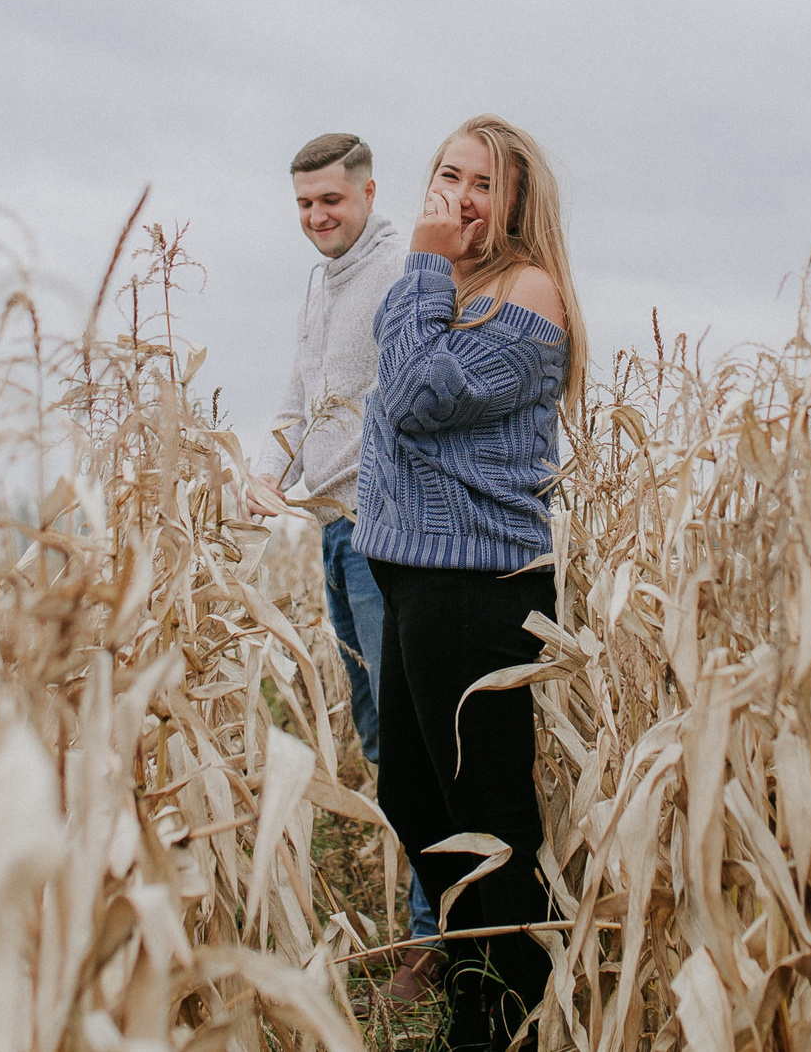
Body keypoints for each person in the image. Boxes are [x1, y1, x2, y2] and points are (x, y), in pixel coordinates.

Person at [354, 115, 587, 1052]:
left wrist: (419, 258)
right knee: (415, 797)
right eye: (448, 175)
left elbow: (412, 398)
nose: (458, 197)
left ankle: (509, 1016)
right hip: (417, 580)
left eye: (483, 183)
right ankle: (478, 987)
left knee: (486, 815)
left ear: (521, 202)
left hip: (480, 582)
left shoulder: (528, 291)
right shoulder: (452, 289)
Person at [239, 131, 445, 999]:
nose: (317, 217)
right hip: (331, 532)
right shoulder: (322, 284)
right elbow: (303, 391)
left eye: (331, 200)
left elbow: (397, 407)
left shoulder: (398, 271)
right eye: (304, 205)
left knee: (408, 742)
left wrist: (324, 481)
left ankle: (433, 939)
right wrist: (265, 471)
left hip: (381, 533)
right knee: (373, 733)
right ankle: (429, 917)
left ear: (366, 192)